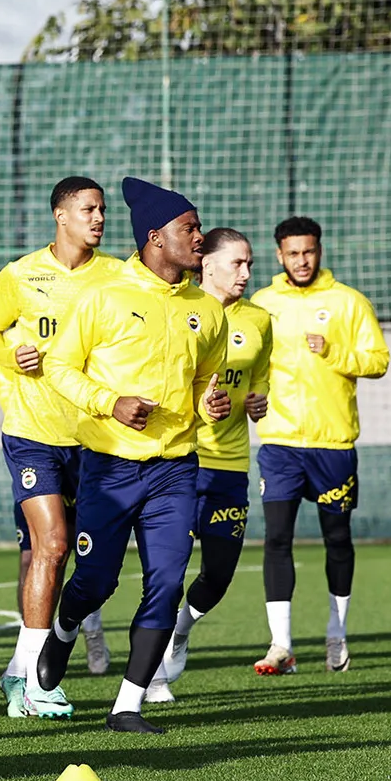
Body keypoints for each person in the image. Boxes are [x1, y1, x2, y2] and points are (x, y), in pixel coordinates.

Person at [34, 178, 229, 734]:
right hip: (110, 468)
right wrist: (109, 403)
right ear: (154, 237)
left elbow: (203, 383)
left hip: (175, 470)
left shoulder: (206, 310)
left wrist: (210, 403)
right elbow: (60, 367)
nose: (199, 238)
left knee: (166, 584)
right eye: (189, 229)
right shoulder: (104, 296)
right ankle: (66, 629)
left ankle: (128, 705)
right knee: (95, 581)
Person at [0, 176, 120, 720]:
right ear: (61, 216)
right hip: (32, 433)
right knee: (50, 545)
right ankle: (37, 682)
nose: (99, 218)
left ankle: (20, 668)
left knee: (75, 558)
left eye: (102, 209)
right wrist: (13, 356)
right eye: (88, 209)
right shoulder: (21, 274)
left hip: (95, 437)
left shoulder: (118, 276)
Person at [250, 217, 388, 674]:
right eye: (293, 253)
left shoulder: (349, 302)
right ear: (279, 255)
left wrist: (333, 352)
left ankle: (337, 633)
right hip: (280, 442)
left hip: (333, 444)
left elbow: (378, 361)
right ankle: (281, 645)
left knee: (338, 539)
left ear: (320, 250)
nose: (301, 260)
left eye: (308, 252)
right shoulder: (262, 304)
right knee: (276, 539)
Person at [149, 228, 270, 702]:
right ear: (208, 266)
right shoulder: (183, 309)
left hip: (230, 465)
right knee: (170, 569)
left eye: (249, 264)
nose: (245, 272)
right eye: (237, 263)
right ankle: (153, 673)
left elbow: (258, 380)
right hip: (183, 460)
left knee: (218, 575)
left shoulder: (260, 320)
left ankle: (182, 626)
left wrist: (257, 402)